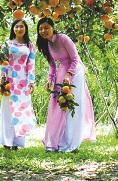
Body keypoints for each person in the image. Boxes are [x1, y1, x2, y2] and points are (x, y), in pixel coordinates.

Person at [36, 17, 95, 152]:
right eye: (40, 29)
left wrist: (69, 74)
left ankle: (72, 143)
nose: (43, 31)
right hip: (62, 69)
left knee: (72, 104)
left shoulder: (63, 39)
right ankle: (58, 141)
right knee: (58, 104)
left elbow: (75, 59)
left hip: (76, 70)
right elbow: (52, 65)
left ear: (53, 27)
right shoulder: (47, 44)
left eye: (46, 27)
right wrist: (50, 80)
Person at [0, 19, 37, 149]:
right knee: (8, 110)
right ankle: (7, 141)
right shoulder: (7, 44)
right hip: (10, 80)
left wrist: (31, 81)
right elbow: (3, 63)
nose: (19, 29)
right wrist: (3, 78)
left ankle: (18, 142)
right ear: (13, 29)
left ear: (25, 29)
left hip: (23, 82)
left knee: (22, 110)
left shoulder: (29, 45)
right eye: (17, 26)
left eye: (22, 27)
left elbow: (31, 64)